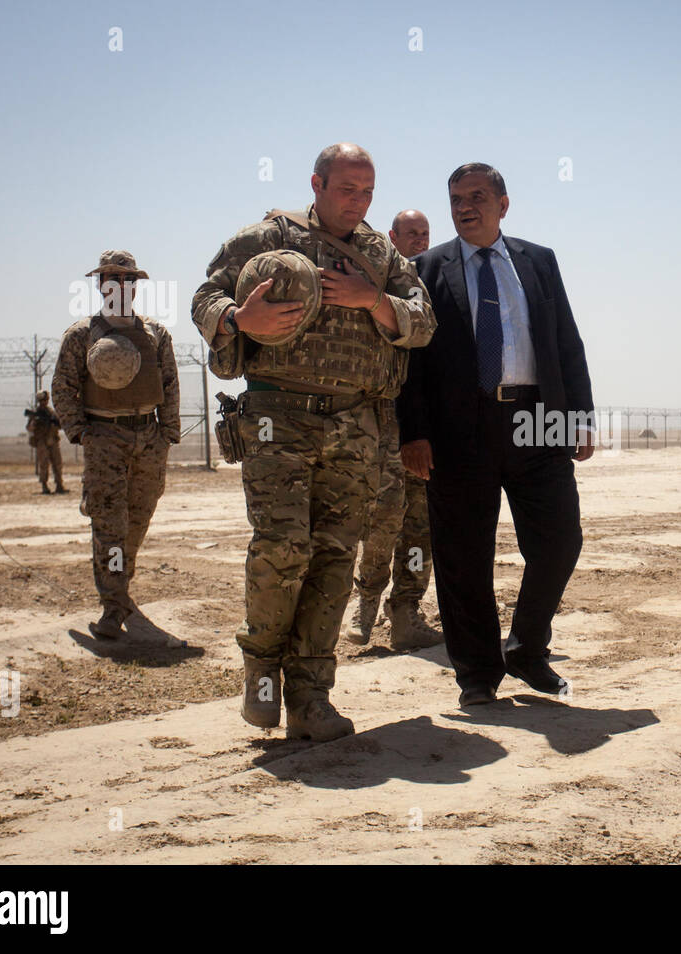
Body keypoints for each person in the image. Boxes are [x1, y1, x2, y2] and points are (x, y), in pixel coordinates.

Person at [191, 143, 435, 741]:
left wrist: (370, 299)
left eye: (368, 192)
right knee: (281, 548)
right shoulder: (267, 239)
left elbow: (422, 321)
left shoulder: (379, 254)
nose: (359, 202)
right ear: (317, 184)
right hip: (278, 416)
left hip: (357, 424)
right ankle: (262, 680)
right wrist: (237, 321)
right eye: (348, 189)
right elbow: (205, 298)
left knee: (333, 555)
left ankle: (310, 696)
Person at [398, 163, 595, 708]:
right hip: (459, 430)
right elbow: (409, 361)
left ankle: (528, 649)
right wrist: (412, 433)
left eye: (478, 197)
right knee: (464, 556)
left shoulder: (539, 261)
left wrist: (579, 414)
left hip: (537, 419)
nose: (466, 207)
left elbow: (566, 341)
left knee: (560, 541)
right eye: (457, 199)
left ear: (503, 205)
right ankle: (477, 674)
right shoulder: (425, 269)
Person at [52, 250, 180, 639]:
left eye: (128, 280)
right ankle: (112, 604)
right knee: (109, 523)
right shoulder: (82, 335)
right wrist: (82, 432)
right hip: (105, 437)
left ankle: (120, 585)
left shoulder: (155, 334)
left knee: (137, 521)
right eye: (112, 279)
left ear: (135, 287)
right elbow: (63, 389)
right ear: (100, 285)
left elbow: (171, 384)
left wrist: (167, 433)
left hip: (148, 437)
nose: (120, 286)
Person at [350, 209, 442, 651]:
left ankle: (406, 611)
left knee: (421, 528)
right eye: (412, 233)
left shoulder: (430, 292)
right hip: (379, 428)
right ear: (392, 237)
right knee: (381, 521)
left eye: (425, 233)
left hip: (424, 432)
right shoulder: (374, 289)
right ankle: (366, 600)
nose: (421, 240)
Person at [27, 390, 66, 494]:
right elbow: (29, 428)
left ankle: (59, 485)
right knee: (44, 464)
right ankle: (44, 486)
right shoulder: (36, 413)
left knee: (57, 463)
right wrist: (35, 423)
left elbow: (60, 425)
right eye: (42, 400)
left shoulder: (52, 413)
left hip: (53, 440)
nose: (44, 402)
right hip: (42, 441)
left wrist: (55, 423)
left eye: (45, 400)